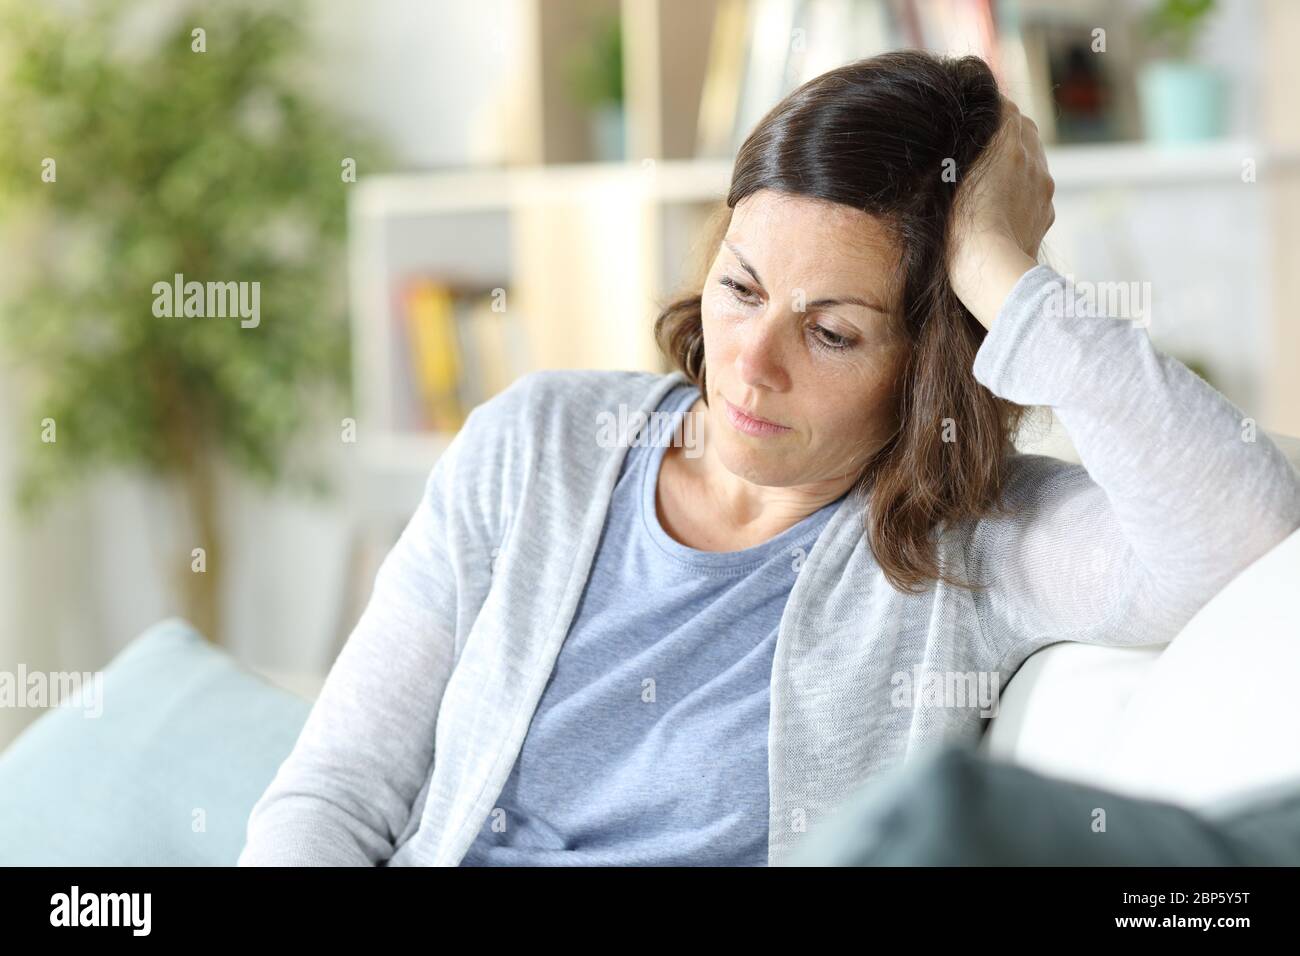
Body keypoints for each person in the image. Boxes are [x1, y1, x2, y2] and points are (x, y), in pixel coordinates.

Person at [238, 50, 1300, 867]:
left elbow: (1245, 534)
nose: (748, 363)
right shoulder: (534, 444)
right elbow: (335, 791)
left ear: (926, 365)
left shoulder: (972, 543)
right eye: (740, 288)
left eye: (830, 331)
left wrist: (997, 264)